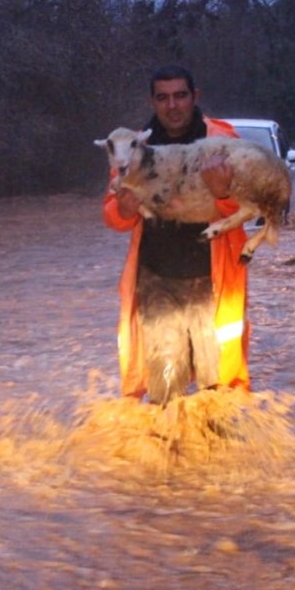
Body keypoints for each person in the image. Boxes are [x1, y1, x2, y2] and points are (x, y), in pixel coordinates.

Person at [102, 65, 252, 404]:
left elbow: (249, 207)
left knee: (219, 395)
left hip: (213, 282)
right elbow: (112, 215)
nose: (173, 105)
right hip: (156, 279)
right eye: (163, 97)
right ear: (152, 102)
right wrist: (124, 209)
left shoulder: (222, 142)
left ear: (194, 97)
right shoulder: (129, 146)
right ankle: (167, 452)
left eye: (180, 96)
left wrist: (224, 193)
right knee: (164, 392)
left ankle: (214, 455)